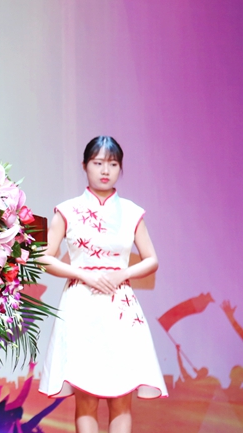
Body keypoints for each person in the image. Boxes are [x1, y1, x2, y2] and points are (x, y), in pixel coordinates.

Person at [38, 136, 168, 433]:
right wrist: (83, 274)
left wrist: (121, 275)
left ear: (120, 168)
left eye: (113, 164)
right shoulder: (67, 210)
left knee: (122, 397)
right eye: (98, 163)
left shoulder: (133, 212)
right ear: (85, 165)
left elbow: (151, 260)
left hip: (119, 305)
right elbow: (45, 258)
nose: (105, 170)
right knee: (86, 398)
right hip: (81, 304)